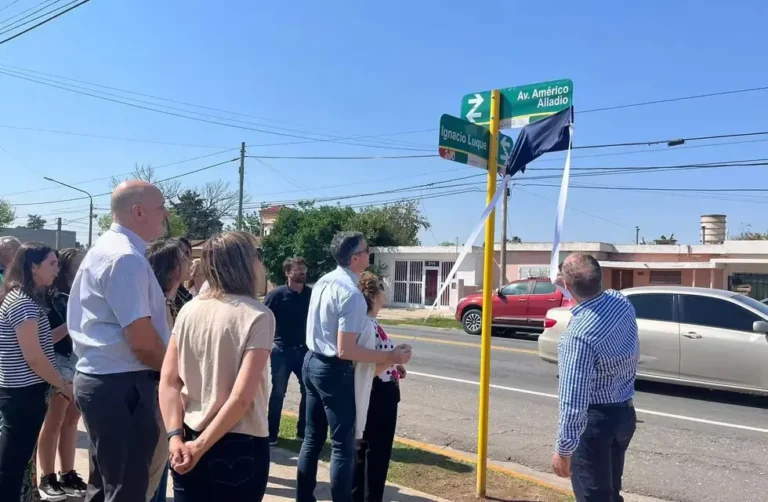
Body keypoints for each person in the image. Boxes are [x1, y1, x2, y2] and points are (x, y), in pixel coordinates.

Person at [68, 180, 171, 502]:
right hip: (122, 383)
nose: (165, 215)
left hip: (109, 381)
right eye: (160, 208)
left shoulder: (112, 249)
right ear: (138, 211)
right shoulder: (125, 258)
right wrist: (175, 375)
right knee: (126, 488)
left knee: (107, 486)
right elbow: (141, 341)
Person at [297, 231, 412, 502]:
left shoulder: (325, 280)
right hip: (333, 370)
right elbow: (346, 349)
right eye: (365, 249)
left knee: (312, 440)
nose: (369, 253)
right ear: (355, 257)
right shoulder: (351, 293)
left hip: (312, 362)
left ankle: (303, 497)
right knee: (343, 447)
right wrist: (390, 357)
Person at [159, 231, 274, 501]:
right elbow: (242, 397)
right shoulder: (258, 316)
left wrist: (175, 437)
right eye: (257, 256)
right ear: (246, 263)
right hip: (240, 443)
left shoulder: (189, 309)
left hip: (187, 434)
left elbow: (169, 380)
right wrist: (198, 447)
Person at [551, 254, 639, 502]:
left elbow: (573, 401)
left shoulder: (578, 336)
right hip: (623, 414)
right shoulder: (620, 301)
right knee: (610, 493)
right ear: (600, 277)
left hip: (595, 424)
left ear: (566, 286)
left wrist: (563, 450)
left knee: (594, 497)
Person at [0, 242, 73, 500]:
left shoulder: (23, 299)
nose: (57, 268)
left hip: (22, 393)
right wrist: (61, 384)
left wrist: (70, 324)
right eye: (51, 263)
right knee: (12, 465)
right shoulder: (23, 304)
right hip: (23, 394)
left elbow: (41, 342)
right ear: (33, 266)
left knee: (16, 462)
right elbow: (34, 357)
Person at [36, 248, 87, 500]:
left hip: (78, 360)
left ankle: (68, 473)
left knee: (72, 420)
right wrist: (73, 322)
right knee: (54, 421)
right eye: (78, 265)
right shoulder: (51, 297)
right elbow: (46, 338)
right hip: (58, 361)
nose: (83, 269)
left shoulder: (81, 295)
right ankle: (47, 476)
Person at [352, 272, 405, 502]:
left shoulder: (371, 323)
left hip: (383, 393)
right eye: (382, 289)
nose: (385, 293)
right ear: (374, 295)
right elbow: (362, 371)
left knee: (375, 455)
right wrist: (392, 360)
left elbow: (377, 360)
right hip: (375, 396)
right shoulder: (365, 326)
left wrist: (393, 365)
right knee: (374, 455)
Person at [146, 238, 191, 502]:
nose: (190, 262)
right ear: (172, 268)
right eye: (184, 258)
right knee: (150, 472)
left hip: (165, 396)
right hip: (155, 394)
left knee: (160, 469)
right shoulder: (156, 304)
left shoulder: (172, 300)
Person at [265, 256, 312, 446]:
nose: (302, 272)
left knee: (308, 391)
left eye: (303, 268)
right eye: (297, 269)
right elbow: (263, 320)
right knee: (278, 393)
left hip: (305, 351)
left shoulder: (311, 295)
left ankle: (302, 432)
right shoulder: (277, 295)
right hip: (281, 352)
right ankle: (271, 434)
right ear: (287, 273)